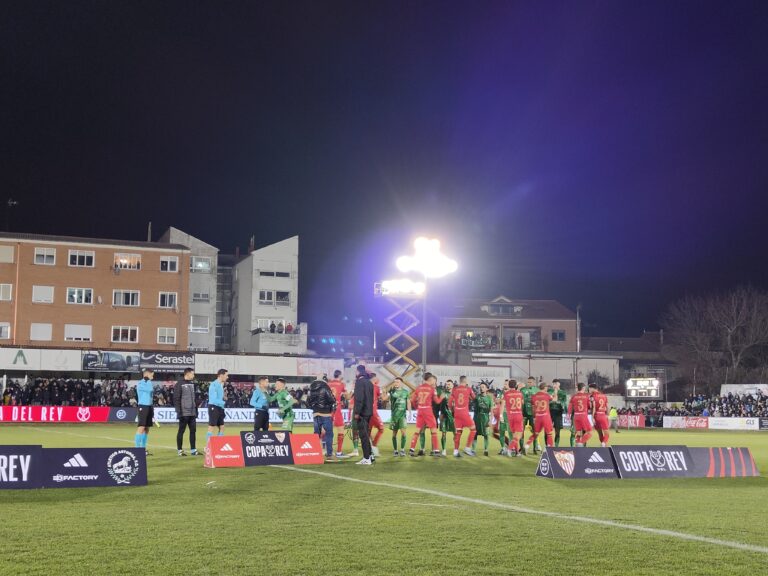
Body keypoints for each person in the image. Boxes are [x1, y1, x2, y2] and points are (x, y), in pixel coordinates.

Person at [409, 373, 443, 457]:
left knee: (417, 431)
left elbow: (412, 400)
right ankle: (436, 450)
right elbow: (437, 401)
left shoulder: (418, 388)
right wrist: (442, 397)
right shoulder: (432, 389)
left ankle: (411, 449)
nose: (434, 382)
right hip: (428, 410)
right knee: (433, 430)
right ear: (430, 380)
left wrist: (417, 407)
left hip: (420, 410)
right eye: (433, 380)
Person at [308, 376, 337, 459]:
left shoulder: (311, 388)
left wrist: (314, 408)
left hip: (315, 414)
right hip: (325, 414)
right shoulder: (325, 387)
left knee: (316, 434)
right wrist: (332, 411)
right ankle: (329, 454)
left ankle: (315, 453)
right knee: (329, 434)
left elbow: (308, 401)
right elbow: (332, 400)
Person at [449, 376, 477, 457]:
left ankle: (455, 451)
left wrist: (452, 410)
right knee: (473, 429)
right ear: (466, 381)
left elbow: (450, 402)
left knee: (458, 432)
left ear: (459, 381)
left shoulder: (454, 389)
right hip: (464, 412)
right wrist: (469, 398)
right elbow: (474, 398)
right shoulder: (468, 389)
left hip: (457, 412)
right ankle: (467, 448)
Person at [174, 368, 199, 456]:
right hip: (184, 412)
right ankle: (180, 450)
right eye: (192, 374)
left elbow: (194, 398)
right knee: (181, 431)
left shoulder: (192, 384)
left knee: (193, 431)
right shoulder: (179, 384)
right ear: (187, 374)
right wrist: (179, 412)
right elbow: (176, 399)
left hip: (192, 412)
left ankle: (193, 450)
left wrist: (196, 410)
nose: (193, 375)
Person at [353, 365, 374, 465]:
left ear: (358, 372)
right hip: (369, 412)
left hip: (362, 413)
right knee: (366, 434)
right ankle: (370, 455)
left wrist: (357, 412)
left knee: (363, 436)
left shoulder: (359, 382)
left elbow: (359, 399)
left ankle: (366, 458)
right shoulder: (370, 383)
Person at [525, 383, 555, 453]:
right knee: (549, 433)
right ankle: (548, 448)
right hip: (546, 417)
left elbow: (533, 409)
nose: (547, 388)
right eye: (546, 387)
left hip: (538, 417)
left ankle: (527, 444)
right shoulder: (546, 395)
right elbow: (554, 400)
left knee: (536, 433)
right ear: (544, 388)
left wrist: (534, 417)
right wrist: (555, 392)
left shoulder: (534, 396)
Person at [327, 370, 349, 457]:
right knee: (341, 429)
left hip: (328, 409)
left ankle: (321, 449)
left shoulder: (328, 383)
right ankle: (339, 452)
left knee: (325, 430)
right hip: (336, 408)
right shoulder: (341, 384)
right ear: (340, 375)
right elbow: (347, 397)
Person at [388, 377, 411, 456]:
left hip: (402, 416)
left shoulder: (406, 392)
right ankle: (395, 450)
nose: (396, 383)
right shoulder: (392, 391)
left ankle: (402, 450)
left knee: (403, 433)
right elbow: (389, 401)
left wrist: (410, 412)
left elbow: (408, 402)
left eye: (397, 382)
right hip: (394, 416)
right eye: (395, 382)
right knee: (394, 434)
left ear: (401, 383)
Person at [503, 380, 524, 457]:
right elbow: (522, 403)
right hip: (518, 415)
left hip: (510, 416)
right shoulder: (520, 393)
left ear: (509, 385)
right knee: (518, 436)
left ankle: (517, 452)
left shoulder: (506, 394)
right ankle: (509, 449)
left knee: (515, 435)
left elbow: (503, 403)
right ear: (516, 385)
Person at [471, 383, 494, 456]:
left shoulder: (489, 399)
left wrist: (490, 420)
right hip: (477, 418)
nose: (481, 388)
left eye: (483, 387)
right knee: (475, 434)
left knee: (486, 435)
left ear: (486, 388)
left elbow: (491, 410)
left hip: (485, 418)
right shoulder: (477, 398)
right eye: (480, 387)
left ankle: (486, 450)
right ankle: (473, 450)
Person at [135, 368, 155, 452]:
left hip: (149, 406)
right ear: (146, 374)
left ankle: (143, 448)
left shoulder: (147, 382)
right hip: (143, 406)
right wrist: (148, 381)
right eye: (152, 375)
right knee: (141, 427)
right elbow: (150, 390)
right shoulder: (141, 383)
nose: (152, 377)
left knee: (147, 428)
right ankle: (137, 449)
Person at [207, 369, 228, 442]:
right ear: (221, 375)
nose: (227, 377)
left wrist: (224, 398)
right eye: (226, 375)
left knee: (222, 427)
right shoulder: (214, 384)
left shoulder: (221, 384)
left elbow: (219, 397)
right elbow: (213, 399)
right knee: (211, 426)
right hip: (214, 407)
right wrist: (223, 402)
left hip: (220, 407)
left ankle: (219, 444)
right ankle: (208, 446)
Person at [520, 377, 539, 453]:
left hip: (533, 414)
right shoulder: (523, 390)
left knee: (535, 431)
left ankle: (535, 448)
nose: (529, 383)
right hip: (524, 413)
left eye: (530, 382)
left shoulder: (537, 390)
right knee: (521, 431)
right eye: (528, 382)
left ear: (534, 383)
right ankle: (522, 449)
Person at [368, 373, 385, 457]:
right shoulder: (376, 387)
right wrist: (387, 393)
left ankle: (369, 449)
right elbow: (383, 398)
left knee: (368, 430)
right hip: (373, 412)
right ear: (374, 378)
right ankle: (374, 448)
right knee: (381, 429)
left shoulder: (364, 386)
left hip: (365, 412)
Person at [549, 379, 568, 447]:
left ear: (559, 384)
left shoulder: (562, 393)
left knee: (557, 431)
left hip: (558, 413)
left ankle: (556, 445)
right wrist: (551, 402)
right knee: (547, 430)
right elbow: (546, 400)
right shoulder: (549, 391)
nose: (554, 385)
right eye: (553, 384)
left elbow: (565, 402)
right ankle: (548, 445)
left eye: (556, 384)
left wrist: (559, 403)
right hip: (549, 412)